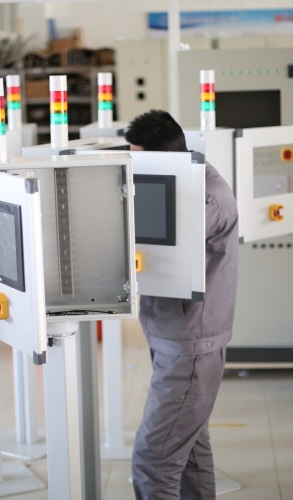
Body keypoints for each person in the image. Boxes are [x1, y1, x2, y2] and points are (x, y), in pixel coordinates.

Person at [125, 109, 239, 499]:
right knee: (189, 449)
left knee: (154, 461)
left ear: (163, 158)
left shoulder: (202, 197)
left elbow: (157, 244)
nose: (131, 166)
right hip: (172, 334)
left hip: (191, 345)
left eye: (137, 158)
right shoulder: (169, 179)